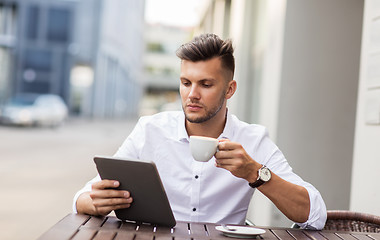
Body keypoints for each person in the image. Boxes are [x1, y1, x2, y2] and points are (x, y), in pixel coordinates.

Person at [73, 33, 327, 229]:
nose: (192, 94)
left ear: (230, 90)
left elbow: (314, 215)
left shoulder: (252, 140)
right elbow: (83, 197)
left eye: (205, 84)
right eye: (186, 83)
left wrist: (254, 173)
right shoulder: (150, 130)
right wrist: (94, 203)